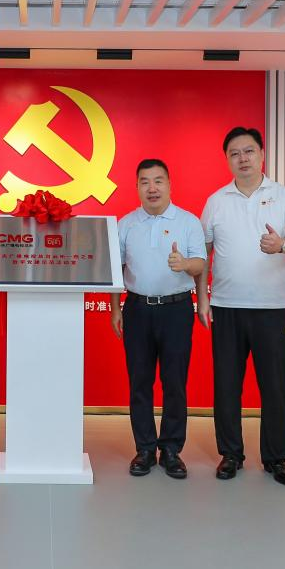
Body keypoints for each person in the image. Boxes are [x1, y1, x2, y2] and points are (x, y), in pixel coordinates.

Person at [199, 127, 285, 486]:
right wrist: (203, 298)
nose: (242, 158)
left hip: (272, 308)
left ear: (262, 153)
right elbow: (203, 253)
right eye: (234, 153)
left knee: (273, 386)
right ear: (227, 159)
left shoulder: (284, 195)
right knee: (227, 385)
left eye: (248, 151)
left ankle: (276, 458)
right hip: (226, 306)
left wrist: (282, 245)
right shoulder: (216, 200)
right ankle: (231, 454)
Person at [111, 159, 206, 479]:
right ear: (137, 187)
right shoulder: (126, 224)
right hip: (137, 309)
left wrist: (185, 264)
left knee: (174, 382)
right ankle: (144, 449)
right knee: (139, 381)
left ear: (169, 184)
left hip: (176, 310)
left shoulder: (188, 221)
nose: (152, 188)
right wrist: (115, 308)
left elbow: (200, 264)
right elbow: (116, 271)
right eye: (145, 182)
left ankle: (171, 450)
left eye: (158, 181)